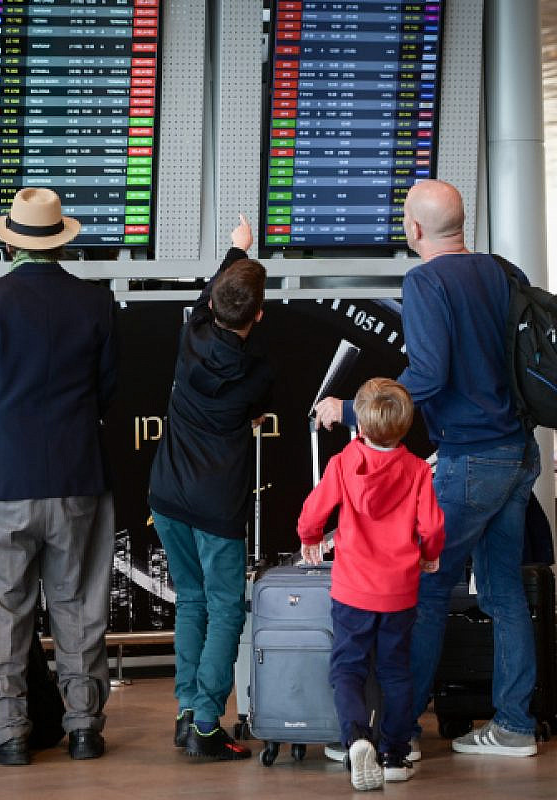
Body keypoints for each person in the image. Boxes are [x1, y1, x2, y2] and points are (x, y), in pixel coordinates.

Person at [314, 179, 542, 759]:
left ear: (414, 230)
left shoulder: (425, 280)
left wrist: (351, 410)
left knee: (427, 588)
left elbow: (432, 374)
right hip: (518, 449)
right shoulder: (496, 269)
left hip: (471, 458)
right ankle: (514, 724)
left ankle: (398, 736)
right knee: (505, 593)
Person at [0, 187, 117, 766]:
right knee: (78, 605)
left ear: (8, 241)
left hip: (2, 479)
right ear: (59, 241)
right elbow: (110, 391)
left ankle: (8, 729)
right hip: (78, 475)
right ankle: (85, 728)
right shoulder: (96, 302)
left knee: (2, 609)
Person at [148, 215, 273, 761]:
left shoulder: (191, 333)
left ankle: (185, 712)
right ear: (260, 316)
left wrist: (234, 248)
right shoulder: (257, 373)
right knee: (225, 608)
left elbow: (214, 294)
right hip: (217, 505)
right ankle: (205, 725)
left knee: (191, 603)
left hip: (168, 496)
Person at [298, 378, 444, 790]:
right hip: (399, 591)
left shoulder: (344, 462)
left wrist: (310, 539)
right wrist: (429, 554)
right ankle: (394, 755)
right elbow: (432, 525)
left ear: (359, 425)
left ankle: (356, 738)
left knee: (347, 669)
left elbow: (314, 510)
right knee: (396, 672)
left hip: (352, 590)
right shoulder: (417, 470)